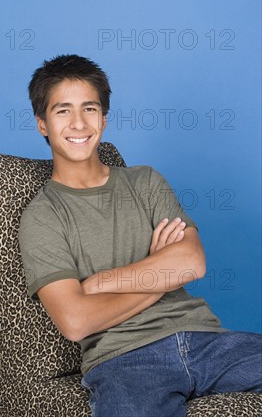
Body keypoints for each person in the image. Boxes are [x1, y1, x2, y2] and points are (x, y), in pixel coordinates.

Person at [18, 54, 262, 416]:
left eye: (89, 108)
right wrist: (161, 273)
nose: (79, 123)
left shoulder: (145, 182)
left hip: (207, 341)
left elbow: (193, 262)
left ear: (104, 118)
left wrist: (101, 282)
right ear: (42, 124)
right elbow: (75, 321)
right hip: (125, 359)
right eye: (62, 111)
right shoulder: (42, 217)